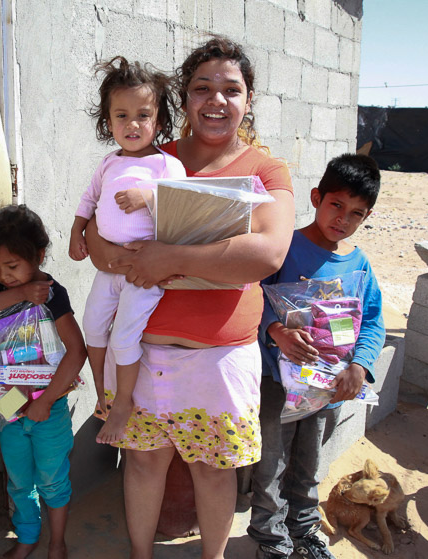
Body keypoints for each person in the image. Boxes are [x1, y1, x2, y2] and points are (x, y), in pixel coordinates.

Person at [85, 36, 295, 559]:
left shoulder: (266, 171)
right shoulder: (150, 155)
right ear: (183, 96)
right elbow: (96, 230)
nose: (216, 100)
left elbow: (267, 253)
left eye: (231, 89)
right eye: (202, 88)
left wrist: (170, 259)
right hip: (144, 354)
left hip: (219, 360)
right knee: (142, 462)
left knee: (213, 470)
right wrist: (106, 251)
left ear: (249, 100)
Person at [247, 154, 385, 559]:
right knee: (271, 462)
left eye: (356, 213)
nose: (343, 218)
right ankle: (270, 540)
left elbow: (373, 321)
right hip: (278, 382)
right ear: (316, 197)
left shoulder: (359, 266)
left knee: (310, 461)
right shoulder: (284, 247)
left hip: (327, 389)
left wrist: (359, 365)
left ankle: (303, 530)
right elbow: (251, 293)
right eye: (336, 205)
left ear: (367, 216)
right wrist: (276, 330)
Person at [68, 56, 186, 444]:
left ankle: (123, 405)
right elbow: (88, 201)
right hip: (108, 269)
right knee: (93, 326)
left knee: (123, 338)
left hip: (142, 274)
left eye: (142, 115)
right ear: (108, 122)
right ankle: (102, 392)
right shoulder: (107, 163)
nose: (132, 125)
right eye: (121, 116)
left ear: (159, 122)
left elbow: (184, 203)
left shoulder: (165, 166)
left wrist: (147, 195)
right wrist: (75, 232)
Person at [0, 204, 87, 559]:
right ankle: (28, 538)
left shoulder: (52, 293)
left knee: (52, 479)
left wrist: (45, 402)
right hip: (9, 403)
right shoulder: (0, 286)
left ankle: (57, 542)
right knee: (18, 480)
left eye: (13, 266)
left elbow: (76, 352)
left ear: (40, 256)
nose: (4, 274)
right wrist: (18, 293)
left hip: (50, 405)